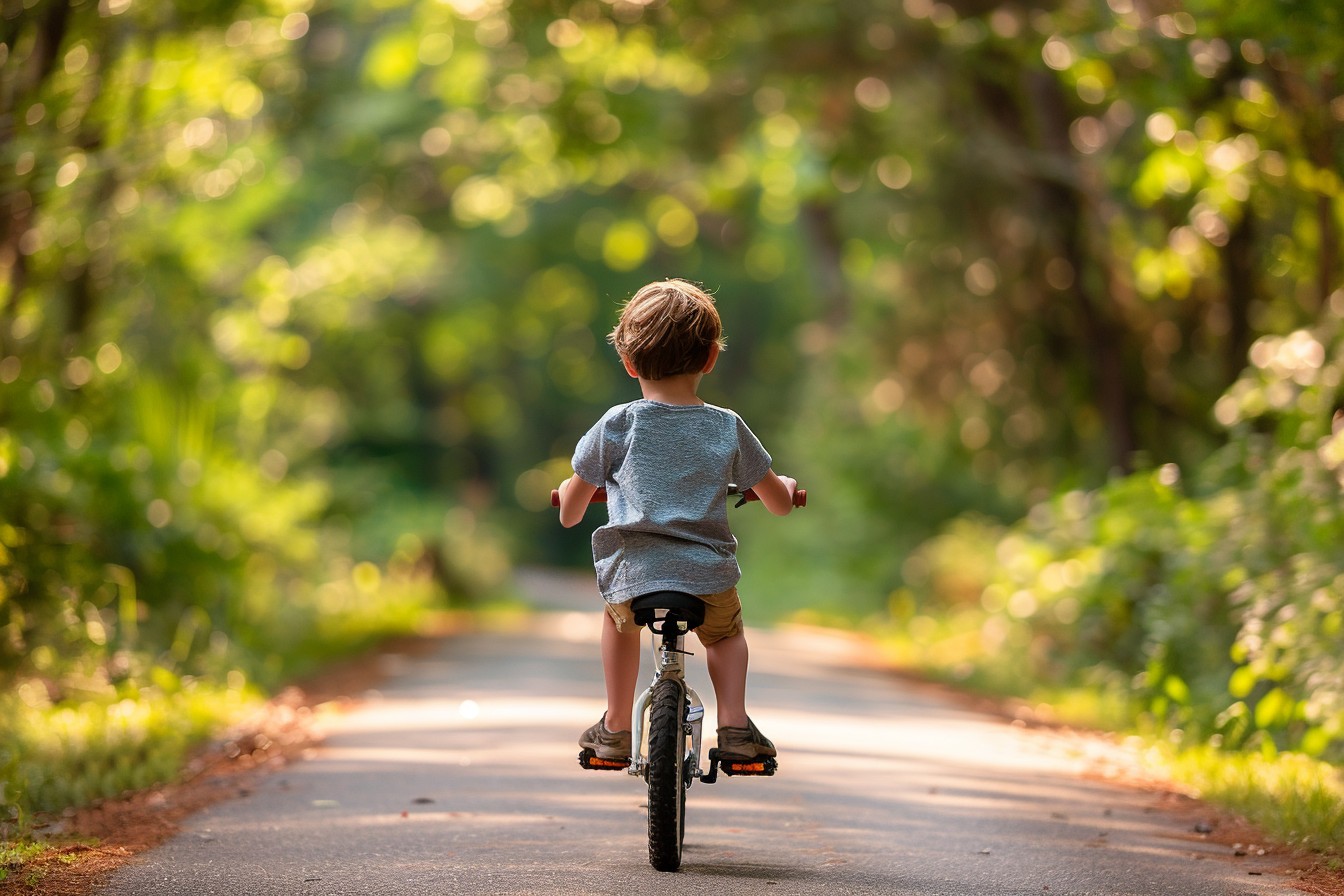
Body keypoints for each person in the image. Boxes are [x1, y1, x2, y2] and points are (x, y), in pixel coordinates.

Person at [556, 278, 798, 765]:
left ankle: (616, 727)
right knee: (726, 634)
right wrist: (787, 489)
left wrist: (568, 494)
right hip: (706, 577)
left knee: (617, 620)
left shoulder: (617, 424)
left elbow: (569, 513)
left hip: (633, 573)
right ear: (711, 357)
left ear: (628, 363)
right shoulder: (726, 426)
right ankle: (733, 725)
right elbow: (777, 503)